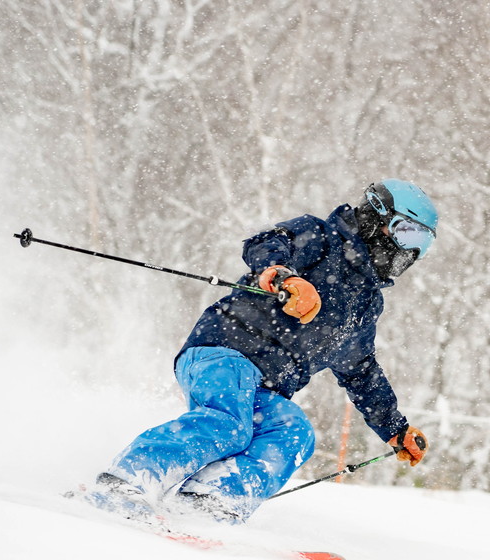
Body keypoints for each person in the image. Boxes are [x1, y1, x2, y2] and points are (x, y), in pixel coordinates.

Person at [86, 179, 436, 524]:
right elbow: (267, 242)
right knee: (228, 424)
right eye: (407, 233)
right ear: (376, 217)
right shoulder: (321, 237)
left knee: (293, 433)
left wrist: (395, 427)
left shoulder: (365, 303)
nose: (411, 252)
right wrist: (283, 276)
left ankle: (210, 501)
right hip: (225, 351)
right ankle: (126, 480)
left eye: (422, 243)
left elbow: (360, 370)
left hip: (265, 388)